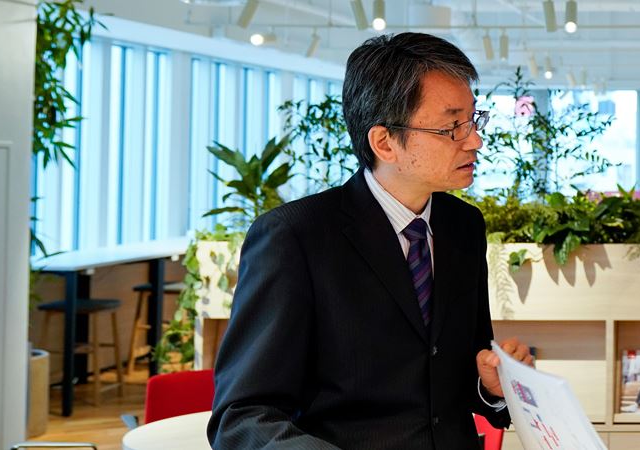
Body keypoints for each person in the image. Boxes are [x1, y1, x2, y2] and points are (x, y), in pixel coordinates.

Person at [209, 33, 534, 449]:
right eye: (452, 126)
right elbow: (242, 417)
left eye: (474, 120)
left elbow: (447, 376)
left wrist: (491, 386)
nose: (475, 140)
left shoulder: (463, 226)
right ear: (384, 142)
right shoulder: (295, 237)